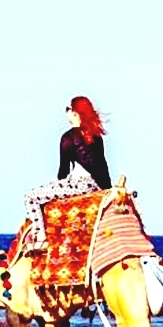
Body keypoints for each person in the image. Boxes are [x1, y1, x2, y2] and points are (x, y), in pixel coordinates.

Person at [22, 95, 112, 248]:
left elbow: (63, 171)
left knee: (30, 197)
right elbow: (102, 166)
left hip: (79, 185)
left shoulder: (69, 137)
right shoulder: (96, 136)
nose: (66, 113)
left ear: (75, 113)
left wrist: (56, 186)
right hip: (97, 185)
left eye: (67, 109)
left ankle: (41, 238)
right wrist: (108, 189)